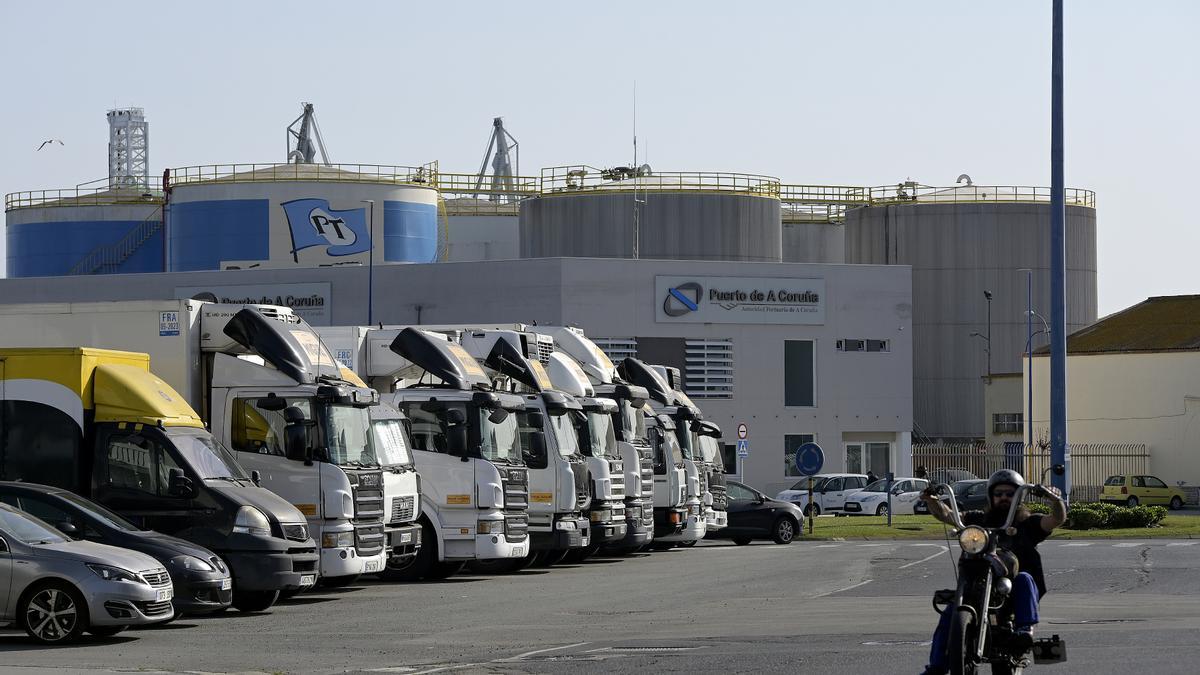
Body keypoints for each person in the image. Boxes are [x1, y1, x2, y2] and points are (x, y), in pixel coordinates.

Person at [916, 469, 1066, 675]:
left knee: (1024, 577)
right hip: (976, 588)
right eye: (999, 494)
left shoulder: (1029, 523)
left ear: (1019, 496)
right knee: (950, 613)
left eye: (1009, 494)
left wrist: (1054, 500)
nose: (1004, 497)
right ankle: (936, 667)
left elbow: (1056, 519)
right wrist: (931, 500)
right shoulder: (979, 519)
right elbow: (950, 516)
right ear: (991, 496)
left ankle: (1025, 630)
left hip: (1015, 594)